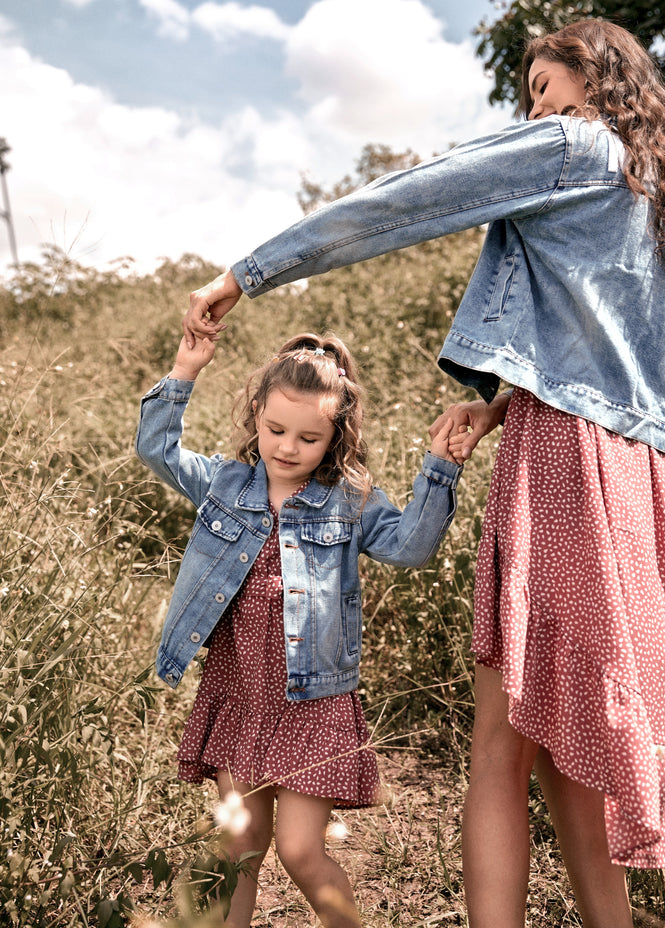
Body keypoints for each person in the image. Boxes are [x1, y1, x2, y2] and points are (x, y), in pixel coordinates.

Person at [180, 19, 665, 927]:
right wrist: (503, 402)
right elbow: (625, 373)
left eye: (544, 85)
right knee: (571, 748)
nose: (536, 105)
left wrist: (250, 274)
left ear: (594, 80)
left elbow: (413, 198)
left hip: (564, 467)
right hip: (647, 492)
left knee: (500, 745)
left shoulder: (574, 146)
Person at [135, 330, 462, 928]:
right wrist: (185, 368)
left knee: (300, 849)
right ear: (256, 415)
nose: (287, 447)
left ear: (336, 437)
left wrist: (440, 469)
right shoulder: (226, 484)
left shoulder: (349, 500)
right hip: (242, 696)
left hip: (313, 701)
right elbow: (157, 448)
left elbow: (412, 546)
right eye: (276, 430)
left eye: (309, 437)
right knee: (238, 848)